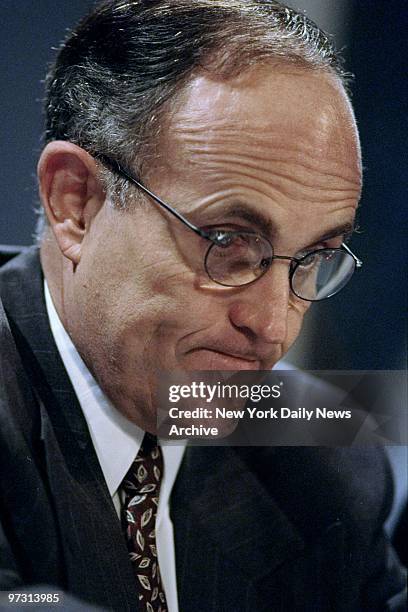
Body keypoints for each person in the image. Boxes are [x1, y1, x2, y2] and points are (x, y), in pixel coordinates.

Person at [0, 1, 406, 610]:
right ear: (76, 203)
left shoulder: (320, 450)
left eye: (314, 257)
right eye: (229, 243)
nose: (272, 326)